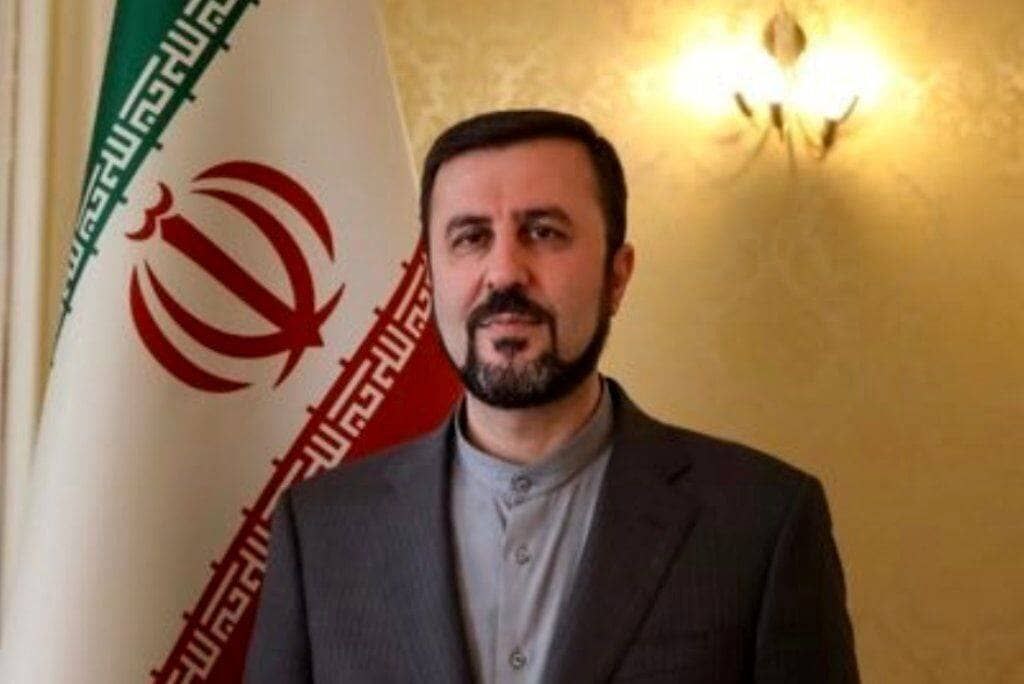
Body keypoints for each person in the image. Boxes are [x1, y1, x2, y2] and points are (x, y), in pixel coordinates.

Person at [245, 109, 859, 683]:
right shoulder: (320, 530)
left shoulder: (763, 521)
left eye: (543, 232)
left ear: (617, 276)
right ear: (431, 278)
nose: (504, 272)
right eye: (470, 237)